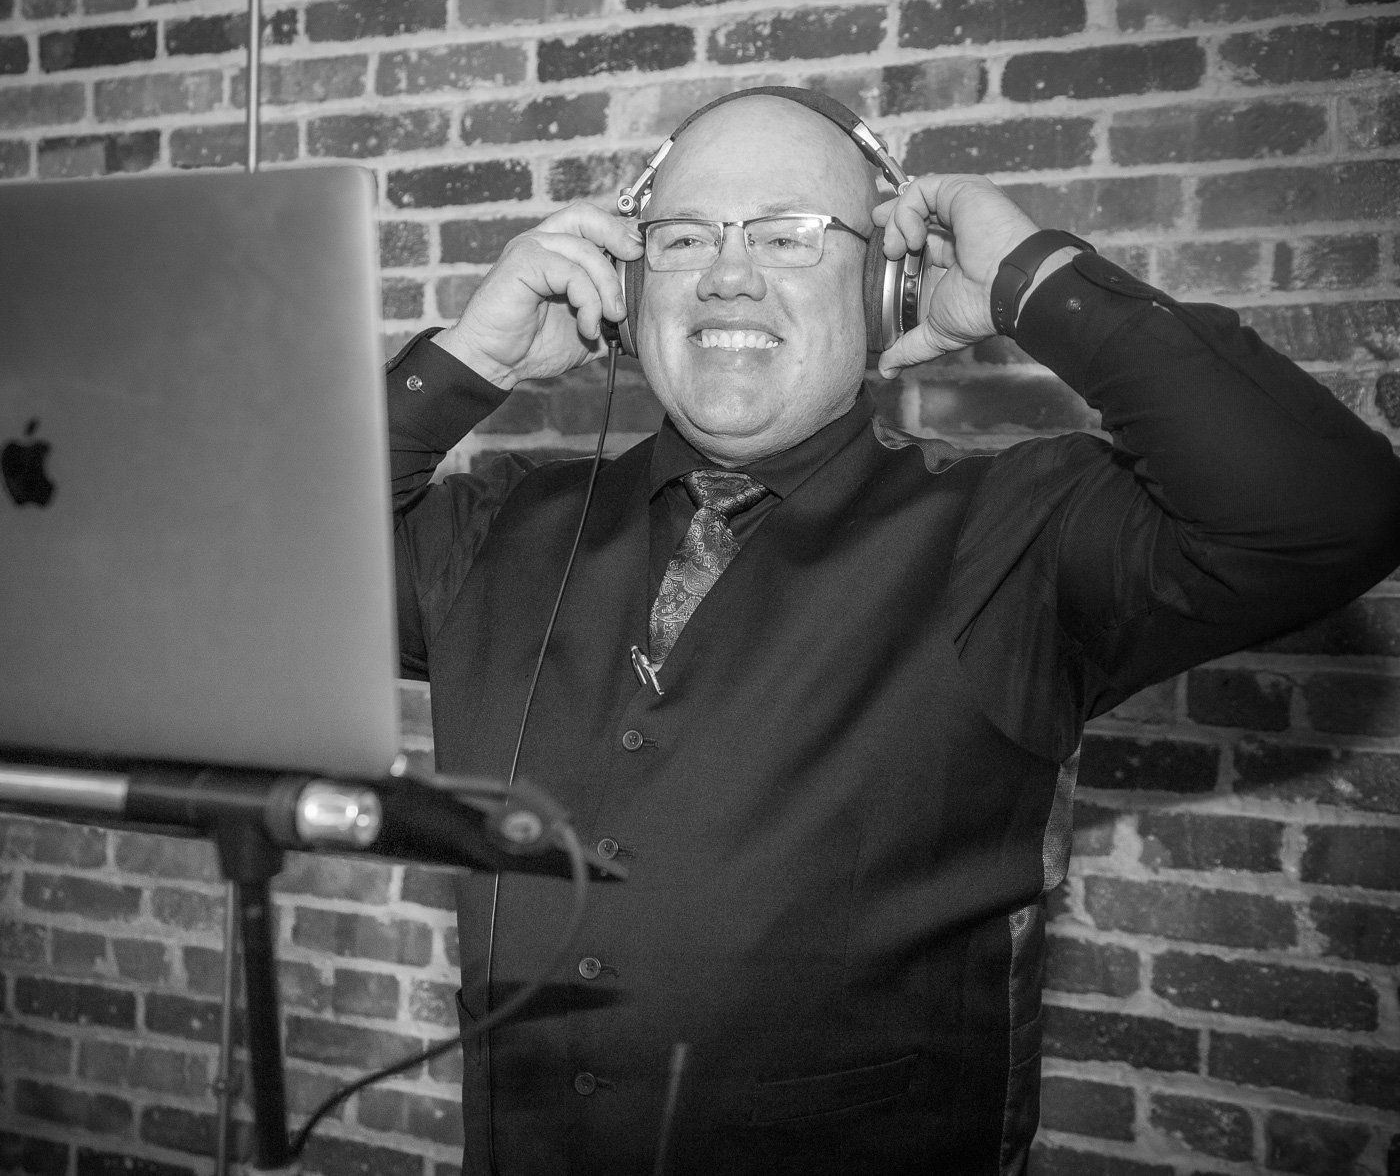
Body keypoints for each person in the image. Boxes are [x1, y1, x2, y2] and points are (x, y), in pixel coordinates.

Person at [387, 87, 1400, 1176]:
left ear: (883, 286)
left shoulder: (1012, 533)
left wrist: (1033, 281)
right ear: (627, 289)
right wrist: (459, 361)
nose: (729, 273)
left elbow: (1320, 511)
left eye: (790, 234)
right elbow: (233, 573)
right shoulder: (501, 525)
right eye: (683, 238)